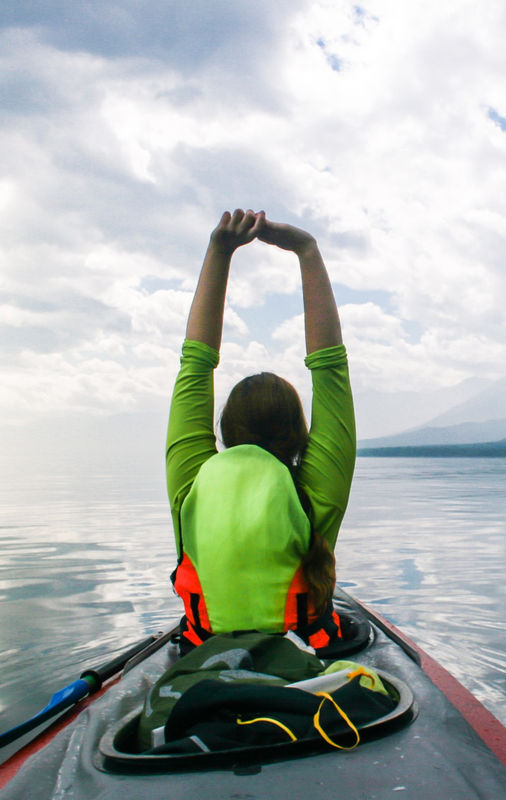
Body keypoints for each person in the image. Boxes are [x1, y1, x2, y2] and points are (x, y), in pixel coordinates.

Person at [165, 209, 355, 652]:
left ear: (226, 432)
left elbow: (195, 363)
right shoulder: (316, 490)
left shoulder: (193, 484)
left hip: (203, 651)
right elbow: (330, 370)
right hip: (304, 649)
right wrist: (306, 251)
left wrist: (219, 251)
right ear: (300, 433)